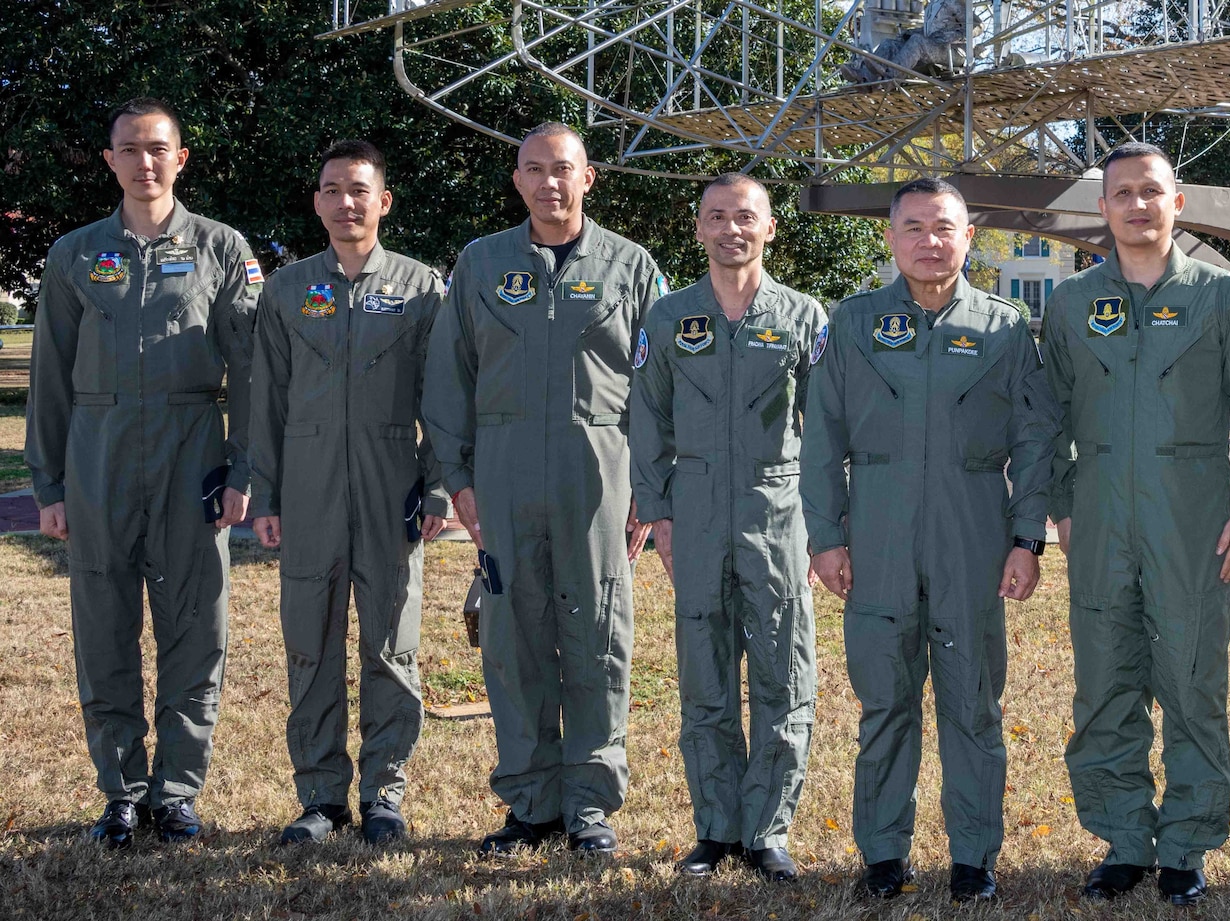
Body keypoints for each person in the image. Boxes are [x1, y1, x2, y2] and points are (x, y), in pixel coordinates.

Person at [1041, 142, 1230, 905]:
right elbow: (1045, 417)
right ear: (1102, 208)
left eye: (1153, 192)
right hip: (1101, 514)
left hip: (1195, 518)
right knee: (1106, 685)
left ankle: (1185, 843)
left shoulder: (1221, 296)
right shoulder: (1071, 304)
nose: (1138, 205)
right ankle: (1123, 839)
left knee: (1190, 682)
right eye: (1122, 193)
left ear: (1177, 204)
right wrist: (1063, 509)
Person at [801, 178, 1056, 903]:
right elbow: (822, 438)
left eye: (943, 227)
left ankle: (974, 855)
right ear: (890, 237)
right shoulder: (851, 324)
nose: (928, 241)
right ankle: (883, 852)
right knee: (885, 698)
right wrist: (826, 535)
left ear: (969, 236)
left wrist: (1025, 537)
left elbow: (1034, 439)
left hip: (971, 529)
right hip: (876, 531)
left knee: (973, 700)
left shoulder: (1006, 329)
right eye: (913, 227)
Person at [423, 122, 666, 856]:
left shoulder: (630, 265)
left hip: (602, 477)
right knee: (512, 641)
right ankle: (530, 802)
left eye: (564, 169)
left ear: (588, 178)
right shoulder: (481, 262)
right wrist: (458, 480)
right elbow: (448, 379)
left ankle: (590, 802)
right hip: (502, 477)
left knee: (598, 638)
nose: (549, 183)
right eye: (535, 170)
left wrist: (646, 488)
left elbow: (659, 389)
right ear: (518, 179)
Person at [26, 97, 261, 847]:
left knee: (197, 627)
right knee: (104, 627)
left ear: (181, 157)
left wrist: (244, 467)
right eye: (129, 149)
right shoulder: (72, 254)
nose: (144, 161)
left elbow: (252, 371)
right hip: (98, 454)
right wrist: (51, 486)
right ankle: (122, 792)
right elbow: (49, 378)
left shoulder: (224, 249)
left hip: (193, 451)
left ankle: (177, 791)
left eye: (157, 148)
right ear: (110, 160)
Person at [248, 139, 448, 846]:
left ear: (383, 201)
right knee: (310, 644)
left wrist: (437, 489)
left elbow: (446, 401)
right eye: (331, 190)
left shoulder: (424, 288)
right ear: (317, 202)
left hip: (391, 486)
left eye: (359, 190)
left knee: (392, 645)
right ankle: (321, 797)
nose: (345, 203)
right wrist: (264, 493)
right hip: (306, 492)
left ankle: (384, 794)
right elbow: (263, 401)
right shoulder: (287, 289)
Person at [631, 173, 823, 882]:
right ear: (699, 228)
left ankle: (768, 829)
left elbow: (829, 429)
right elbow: (645, 419)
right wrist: (659, 513)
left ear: (770, 227)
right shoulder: (667, 318)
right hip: (699, 511)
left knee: (785, 676)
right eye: (717, 217)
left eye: (745, 216)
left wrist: (822, 523)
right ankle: (716, 827)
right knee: (705, 678)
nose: (731, 229)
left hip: (780, 515)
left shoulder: (805, 317)